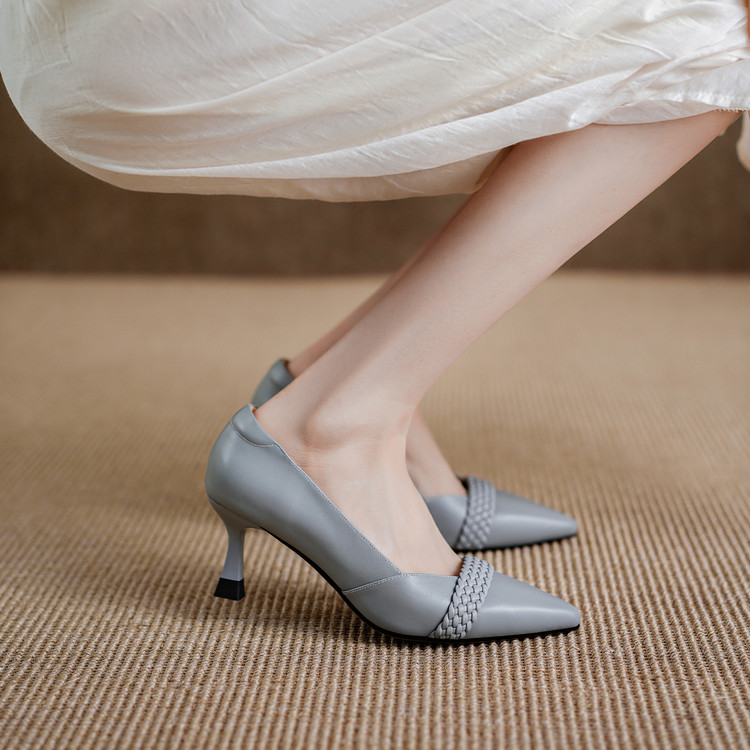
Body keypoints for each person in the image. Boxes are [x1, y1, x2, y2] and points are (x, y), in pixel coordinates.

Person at [2, 1, 748, 642]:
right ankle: (334, 427)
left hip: (77, 41)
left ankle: (335, 385)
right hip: (134, 39)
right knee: (712, 31)